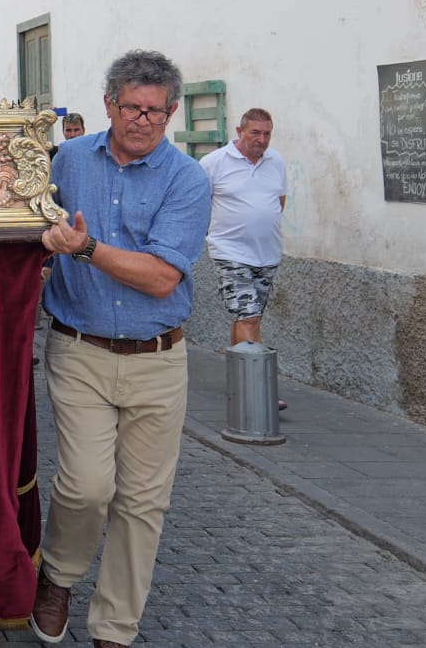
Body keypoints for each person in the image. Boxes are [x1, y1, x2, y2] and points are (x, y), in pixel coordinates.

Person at [34, 50, 210, 648]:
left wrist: (84, 250)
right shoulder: (69, 160)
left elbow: (163, 277)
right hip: (80, 347)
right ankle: (57, 575)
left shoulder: (187, 179)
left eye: (156, 112)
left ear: (172, 112)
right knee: (86, 485)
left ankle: (115, 629)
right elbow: (32, 228)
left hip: (159, 359)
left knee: (143, 503)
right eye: (132, 107)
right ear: (109, 103)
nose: (144, 120)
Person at [200, 109, 288, 406]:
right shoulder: (214, 163)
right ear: (240, 130)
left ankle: (240, 381)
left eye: (266, 134)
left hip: (267, 254)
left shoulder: (276, 162)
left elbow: (279, 201)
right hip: (229, 252)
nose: (261, 140)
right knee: (247, 315)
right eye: (255, 133)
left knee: (249, 318)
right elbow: (198, 203)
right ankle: (262, 391)